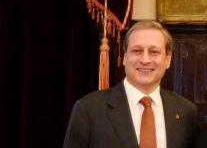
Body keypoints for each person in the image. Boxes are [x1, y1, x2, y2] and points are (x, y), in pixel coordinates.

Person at [63, 21, 198, 148]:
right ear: (125, 57)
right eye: (137, 51)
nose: (145, 60)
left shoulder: (186, 112)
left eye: (154, 52)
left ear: (167, 60)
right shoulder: (89, 109)